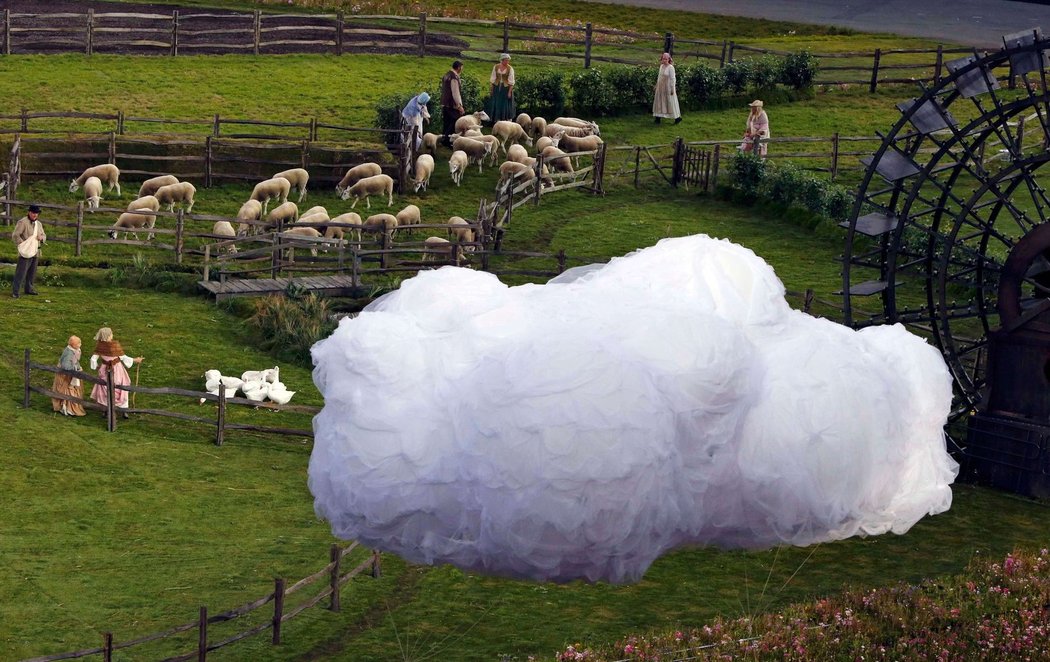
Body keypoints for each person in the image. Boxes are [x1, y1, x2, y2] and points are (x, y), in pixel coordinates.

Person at [89, 327, 144, 418]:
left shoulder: (100, 346)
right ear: (108, 335)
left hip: (105, 369)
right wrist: (136, 360)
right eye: (111, 334)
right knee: (121, 386)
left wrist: (96, 367)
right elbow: (123, 357)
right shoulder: (114, 345)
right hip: (117, 369)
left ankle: (106, 409)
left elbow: (93, 359)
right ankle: (123, 410)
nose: (112, 335)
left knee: (105, 388)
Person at [11, 204, 46, 298]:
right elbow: (15, 235)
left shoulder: (39, 224)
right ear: (29, 212)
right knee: (21, 272)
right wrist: (23, 245)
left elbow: (44, 235)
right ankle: (15, 291)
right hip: (26, 251)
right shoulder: (22, 222)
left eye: (37, 213)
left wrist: (41, 238)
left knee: (32, 272)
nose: (35, 215)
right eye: (33, 212)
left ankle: (29, 289)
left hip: (35, 251)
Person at [52, 335, 87, 417]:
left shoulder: (76, 350)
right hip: (66, 377)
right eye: (79, 343)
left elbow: (75, 361)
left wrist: (78, 367)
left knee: (73, 390)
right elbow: (66, 366)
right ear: (73, 345)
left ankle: (72, 407)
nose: (80, 344)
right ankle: (67, 408)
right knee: (67, 390)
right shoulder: (69, 353)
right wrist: (76, 369)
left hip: (71, 374)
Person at [485, 53, 516, 123]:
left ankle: (505, 120)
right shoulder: (496, 67)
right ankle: (496, 119)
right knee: (496, 103)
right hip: (497, 87)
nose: (508, 62)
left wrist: (509, 92)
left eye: (508, 60)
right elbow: (492, 79)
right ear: (502, 60)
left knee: (505, 104)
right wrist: (491, 89)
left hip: (506, 88)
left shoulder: (510, 68)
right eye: (506, 60)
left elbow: (511, 82)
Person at [440, 60, 465, 147]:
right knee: (454, 121)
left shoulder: (447, 75)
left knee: (446, 122)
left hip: (445, 102)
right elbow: (455, 92)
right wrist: (459, 106)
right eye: (461, 67)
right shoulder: (454, 78)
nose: (462, 69)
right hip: (451, 104)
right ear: (458, 67)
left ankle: (443, 139)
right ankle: (448, 140)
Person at [652, 52, 681, 125]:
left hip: (668, 88)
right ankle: (657, 118)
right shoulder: (661, 66)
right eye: (663, 58)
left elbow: (673, 79)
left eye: (665, 59)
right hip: (660, 88)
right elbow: (659, 77)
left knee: (670, 102)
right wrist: (656, 85)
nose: (664, 60)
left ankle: (677, 118)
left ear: (669, 59)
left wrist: (672, 89)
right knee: (659, 102)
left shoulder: (671, 68)